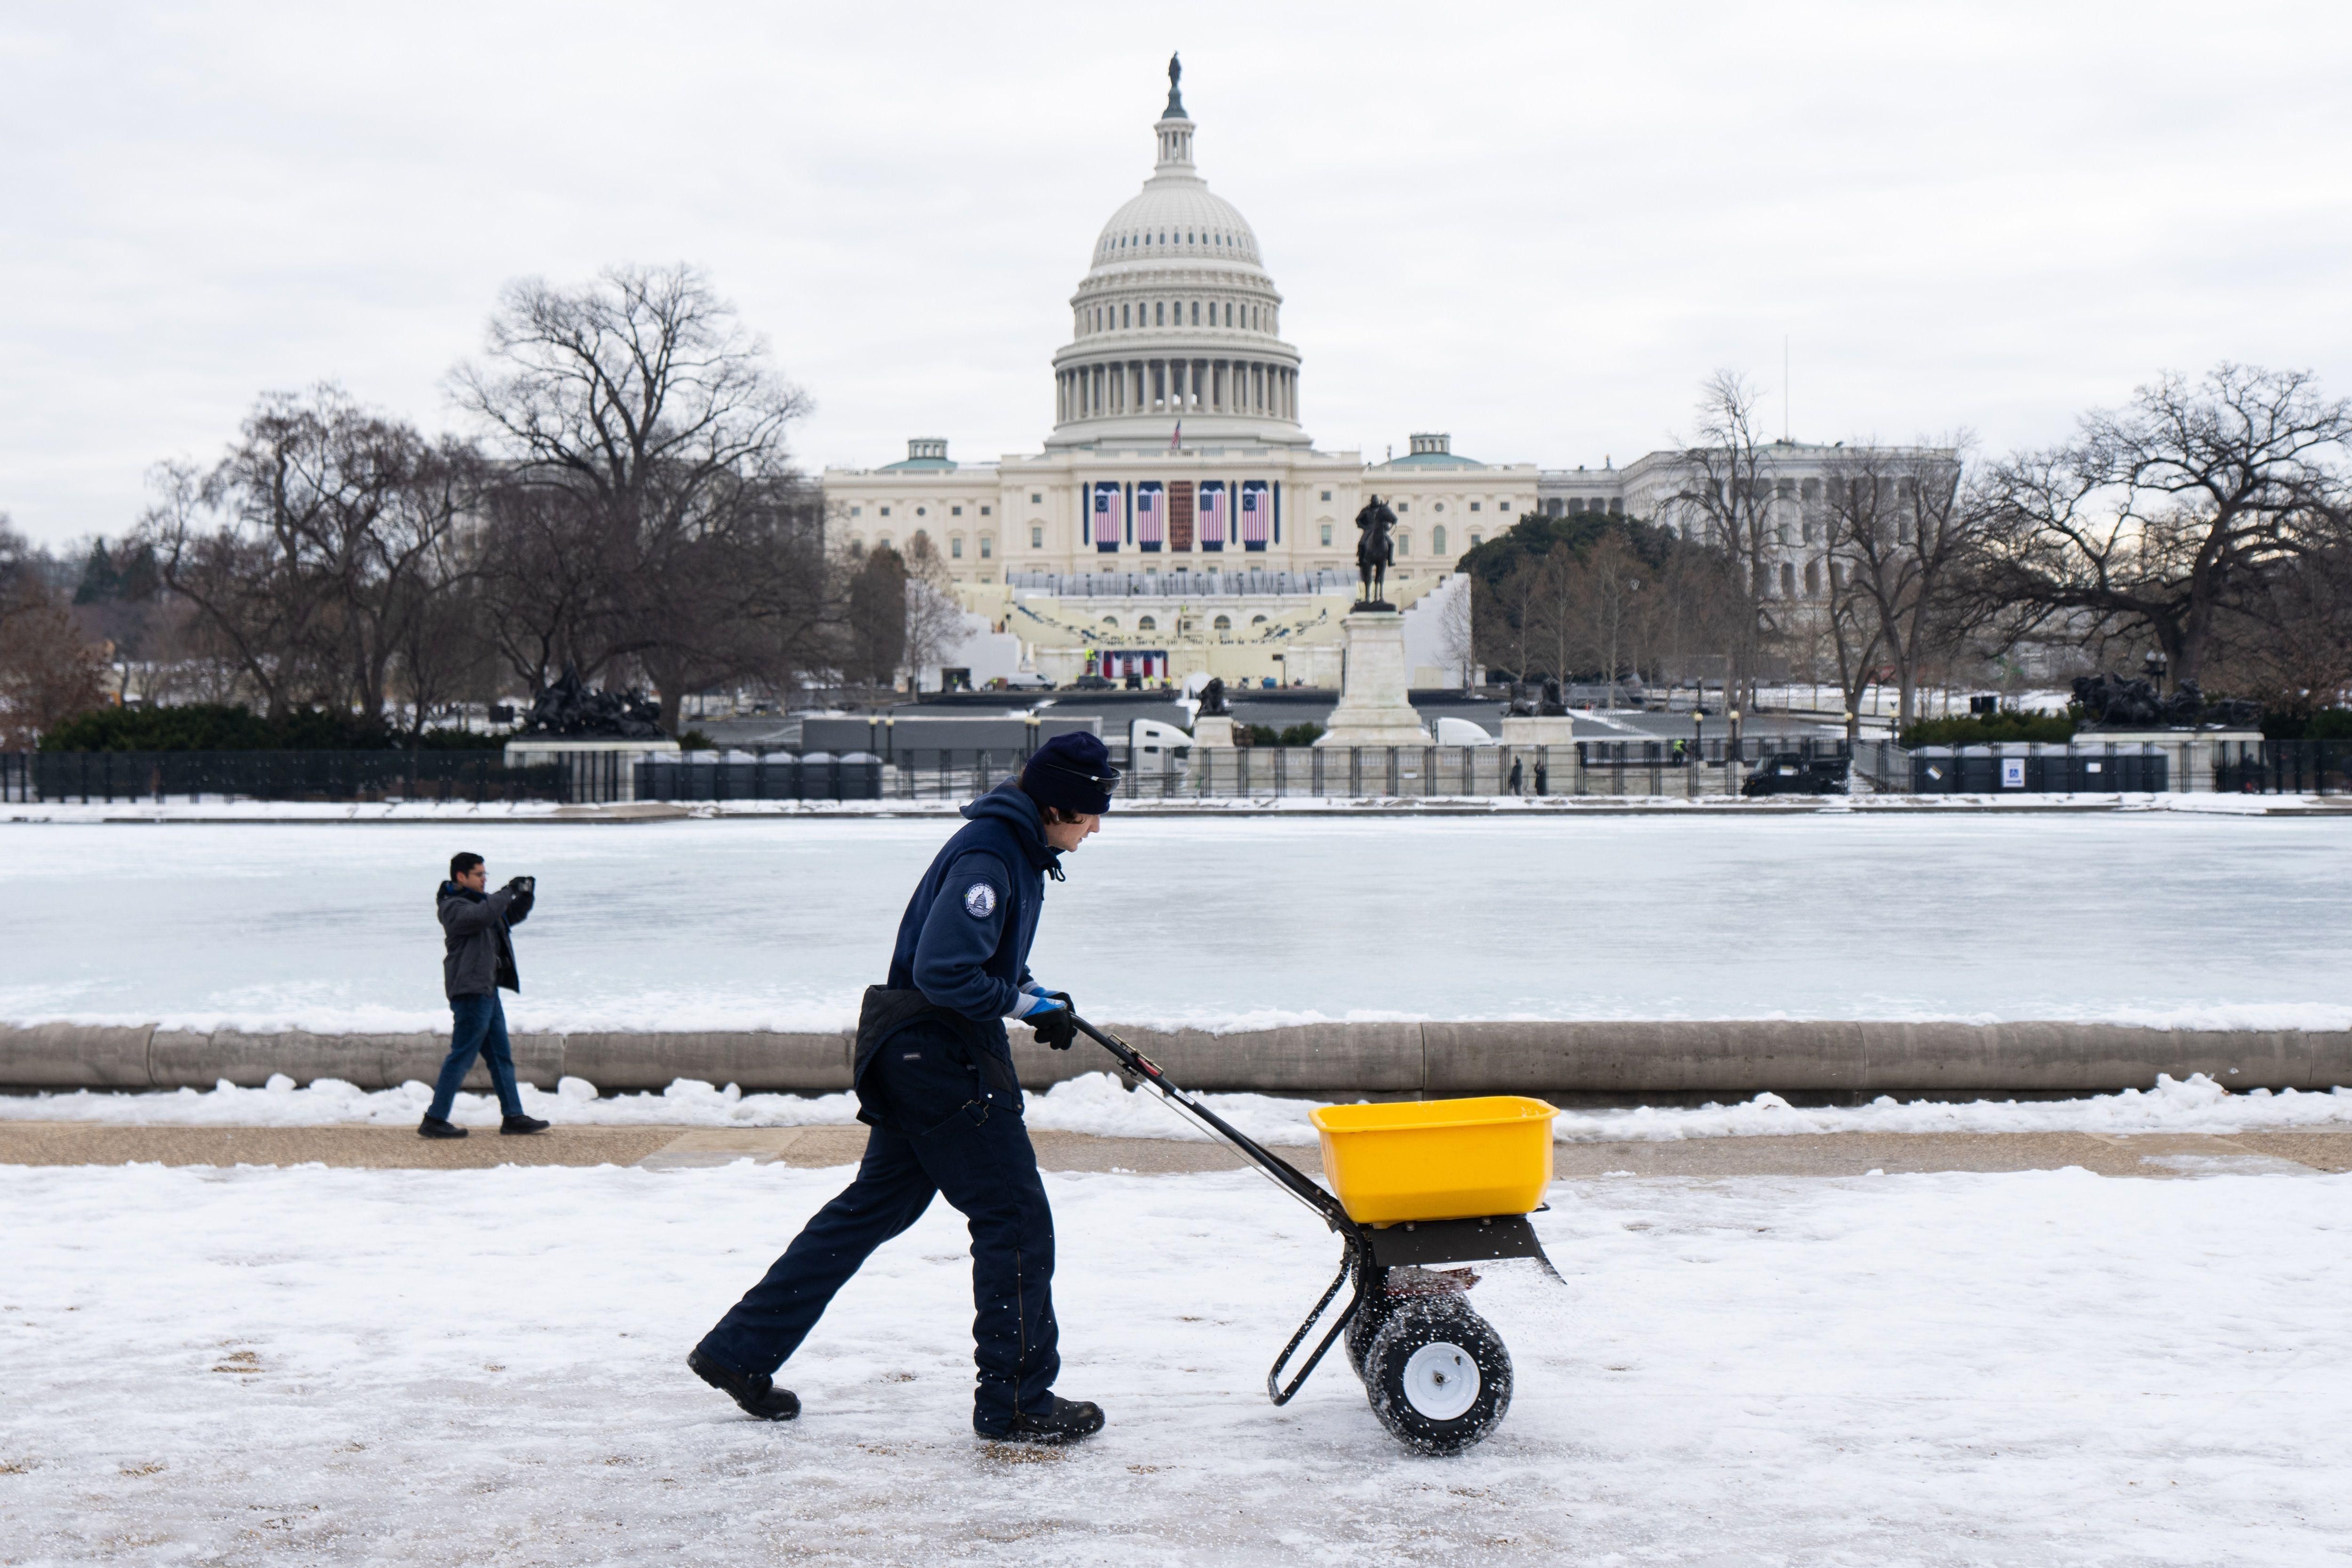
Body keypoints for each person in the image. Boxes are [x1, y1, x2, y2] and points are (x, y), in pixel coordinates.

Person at [688, 732, 1120, 1444]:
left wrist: (1039, 994)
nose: (1096, 825)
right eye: (1089, 812)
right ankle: (1016, 1400)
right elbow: (946, 972)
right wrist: (1021, 1006)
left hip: (917, 1051)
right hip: (940, 1056)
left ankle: (740, 1350)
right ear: (1055, 804)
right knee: (1014, 1218)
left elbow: (983, 957)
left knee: (870, 1210)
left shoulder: (1015, 847)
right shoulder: (991, 853)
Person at [421, 852, 549, 1140]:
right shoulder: (453, 907)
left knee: (501, 1058)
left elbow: (508, 916)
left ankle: (514, 1118)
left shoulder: (483, 904)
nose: (484, 879)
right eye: (479, 875)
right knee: (462, 1057)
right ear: (461, 877)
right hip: (470, 992)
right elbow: (482, 917)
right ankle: (434, 1119)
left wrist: (526, 894)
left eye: (485, 874)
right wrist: (507, 892)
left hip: (487, 991)